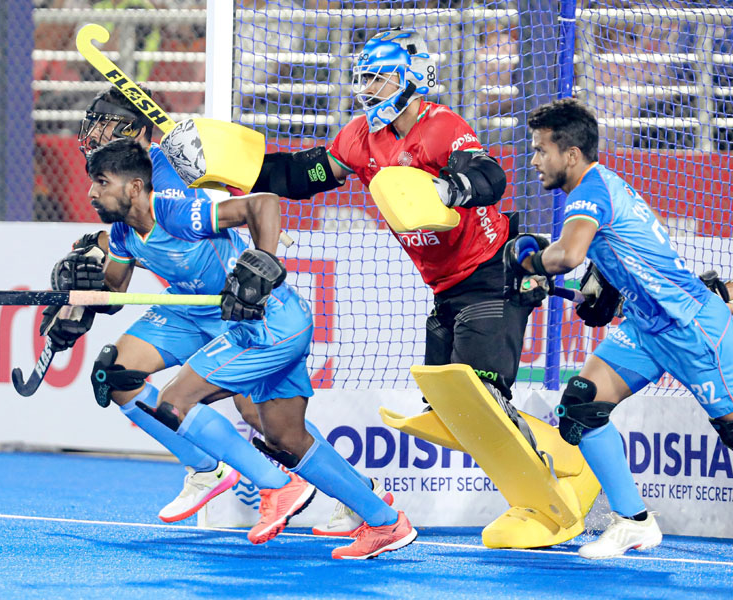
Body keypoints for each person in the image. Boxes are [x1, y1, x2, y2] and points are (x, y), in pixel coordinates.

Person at [236, 28, 538, 537]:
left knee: (483, 399)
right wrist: (240, 171)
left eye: (378, 78)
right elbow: (305, 174)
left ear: (411, 79)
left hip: (492, 273)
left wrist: (450, 186)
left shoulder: (442, 126)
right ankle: (530, 480)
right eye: (365, 79)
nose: (368, 88)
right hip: (444, 288)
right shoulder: (359, 137)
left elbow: (490, 176)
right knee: (448, 409)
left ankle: (540, 487)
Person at [87, 138, 418, 559]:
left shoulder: (176, 211)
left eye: (101, 182)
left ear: (135, 187)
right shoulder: (121, 234)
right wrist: (79, 284)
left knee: (173, 402)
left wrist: (263, 261)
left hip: (268, 326)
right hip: (275, 326)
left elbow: (263, 203)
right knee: (286, 437)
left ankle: (267, 483)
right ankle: (386, 522)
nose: (92, 193)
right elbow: (114, 290)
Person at [507, 97, 733, 559]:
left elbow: (567, 256)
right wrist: (605, 287)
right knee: (581, 405)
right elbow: (610, 260)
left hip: (692, 329)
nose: (533, 160)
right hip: (648, 329)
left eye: (541, 150)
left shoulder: (590, 190)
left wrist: (525, 259)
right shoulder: (599, 188)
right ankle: (634, 522)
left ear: (570, 154)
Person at [43, 84, 240, 524]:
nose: (94, 136)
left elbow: (228, 215)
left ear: (139, 131)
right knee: (113, 374)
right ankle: (205, 469)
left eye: (106, 125)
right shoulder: (120, 179)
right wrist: (82, 301)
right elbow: (118, 279)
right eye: (93, 125)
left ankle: (356, 494)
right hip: (186, 306)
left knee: (274, 424)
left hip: (234, 309)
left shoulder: (173, 179)